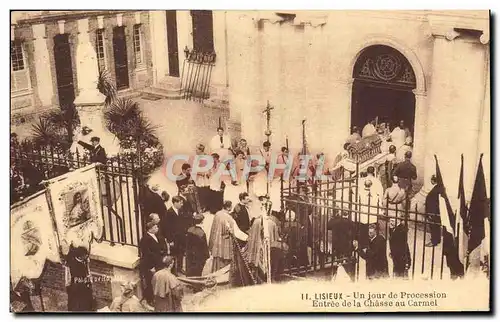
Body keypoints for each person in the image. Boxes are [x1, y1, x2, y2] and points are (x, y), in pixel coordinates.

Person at [209, 201, 248, 272]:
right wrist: (247, 238)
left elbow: (213, 229)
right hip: (225, 244)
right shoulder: (229, 218)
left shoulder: (217, 214)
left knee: (217, 260)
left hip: (217, 243)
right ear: (228, 207)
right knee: (225, 263)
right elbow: (237, 232)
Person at [139, 221, 168, 306]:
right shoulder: (145, 239)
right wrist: (151, 267)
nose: (157, 228)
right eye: (155, 227)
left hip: (157, 263)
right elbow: (147, 255)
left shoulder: (155, 236)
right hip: (150, 266)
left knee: (155, 281)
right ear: (150, 229)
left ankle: (155, 297)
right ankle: (150, 299)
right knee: (150, 283)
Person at [164, 196, 191, 274]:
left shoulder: (181, 210)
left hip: (181, 237)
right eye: (180, 203)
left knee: (181, 253)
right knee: (174, 255)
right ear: (175, 203)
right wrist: (170, 240)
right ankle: (173, 271)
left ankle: (180, 268)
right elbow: (167, 228)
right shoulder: (169, 212)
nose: (182, 205)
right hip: (174, 238)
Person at [328, 211, 355, 281]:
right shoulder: (350, 222)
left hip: (337, 245)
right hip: (347, 246)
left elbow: (328, 225)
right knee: (347, 262)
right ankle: (349, 277)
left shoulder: (336, 221)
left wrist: (334, 217)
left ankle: (336, 275)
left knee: (338, 261)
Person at [66, 246, 95, 312]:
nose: (87, 256)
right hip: (76, 286)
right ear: (80, 256)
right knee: (77, 301)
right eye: (85, 255)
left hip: (83, 284)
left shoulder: (83, 261)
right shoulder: (74, 265)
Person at [425, 175, 441, 247]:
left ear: (433, 180)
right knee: (436, 226)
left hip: (433, 211)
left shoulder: (436, 189)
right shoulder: (437, 188)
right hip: (435, 211)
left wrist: (430, 213)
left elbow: (433, 202)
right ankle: (437, 239)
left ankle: (434, 241)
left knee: (433, 226)